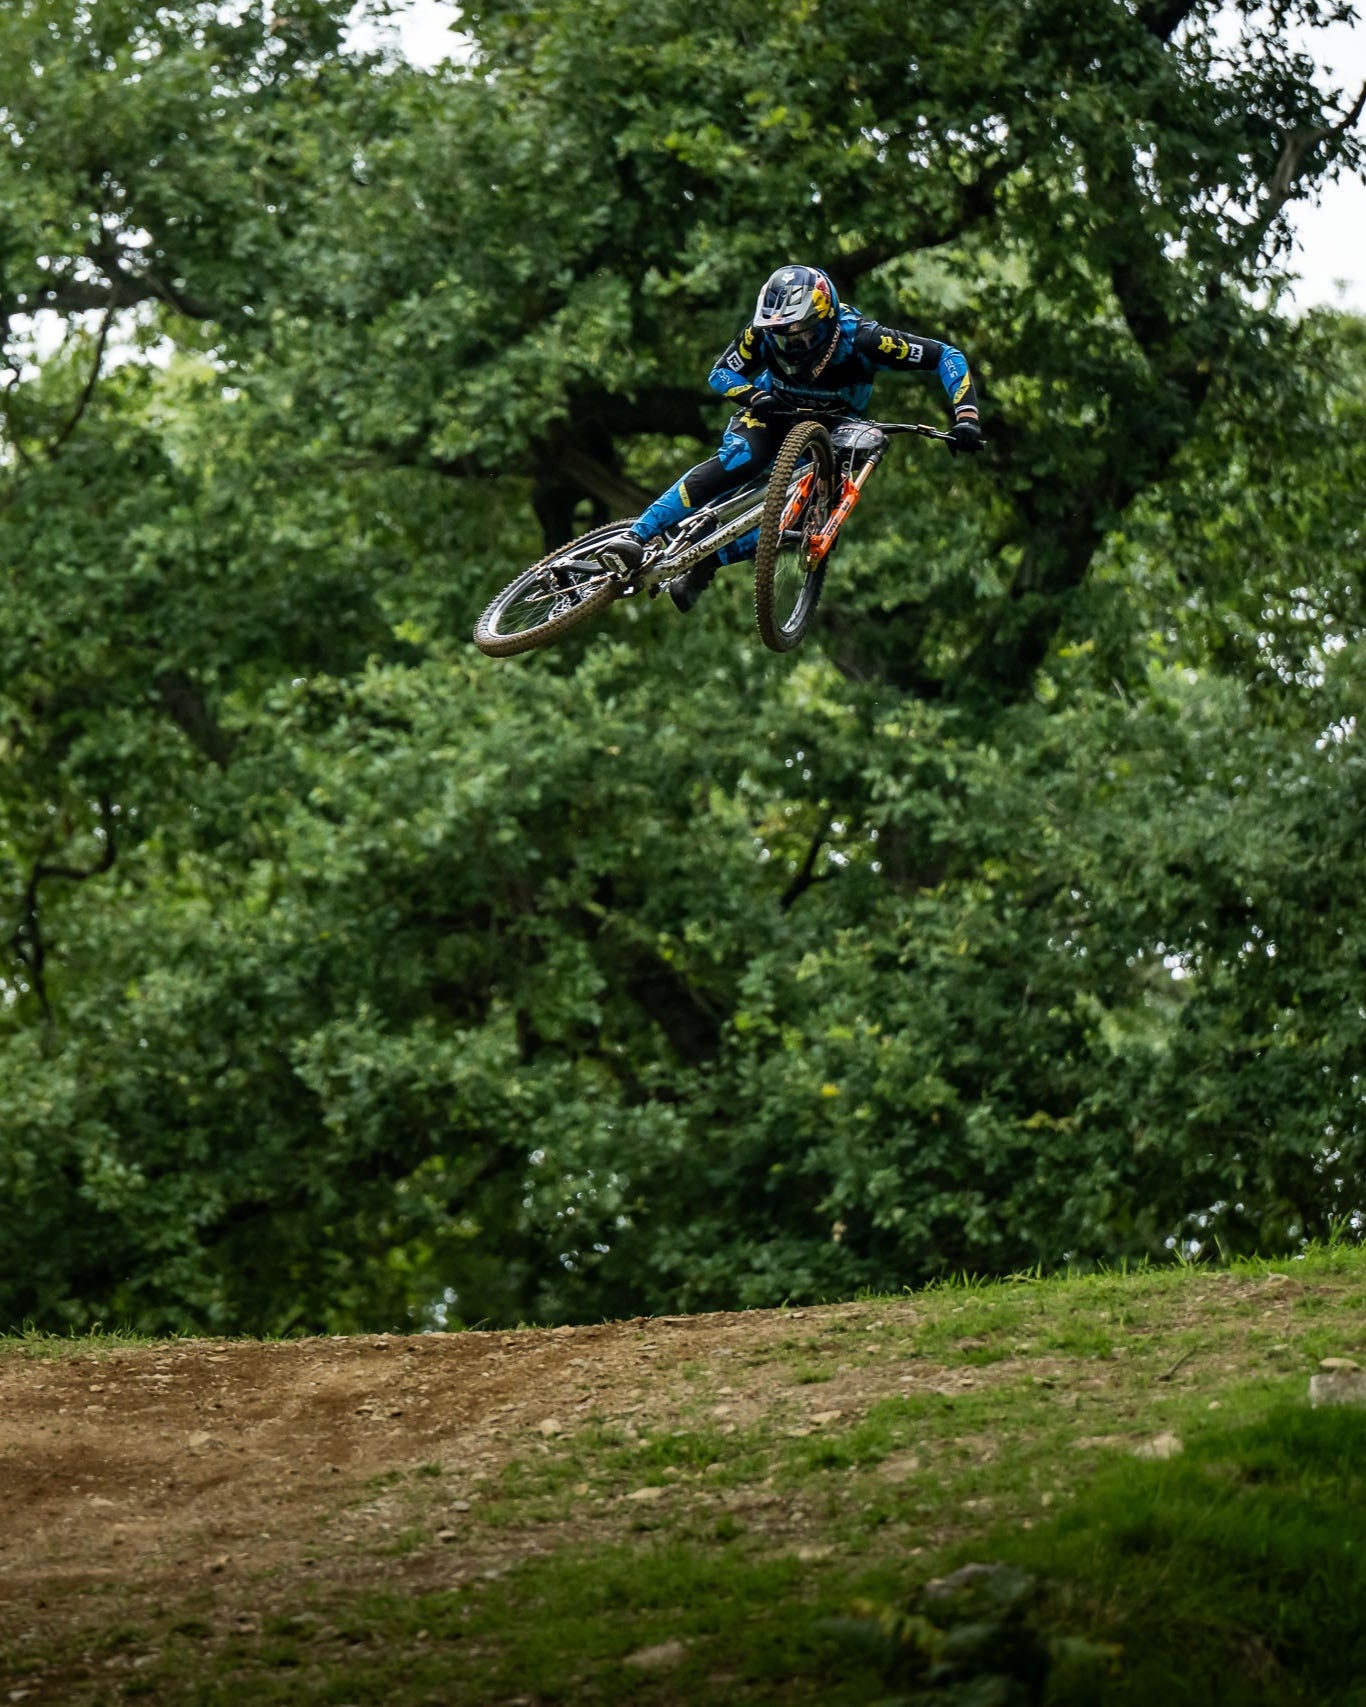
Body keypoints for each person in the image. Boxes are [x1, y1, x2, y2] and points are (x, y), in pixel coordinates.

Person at [600, 263, 983, 611]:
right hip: (770, 412)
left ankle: (706, 564)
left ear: (828, 320)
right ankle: (636, 537)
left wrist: (966, 417)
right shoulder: (760, 334)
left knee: (796, 520)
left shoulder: (865, 339)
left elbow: (946, 356)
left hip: (836, 425)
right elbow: (720, 374)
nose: (791, 345)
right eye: (782, 337)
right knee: (738, 460)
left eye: (803, 335)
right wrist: (753, 396)